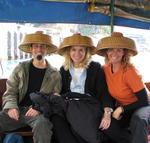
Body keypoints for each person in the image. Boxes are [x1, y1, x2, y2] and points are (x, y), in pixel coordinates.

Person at [51, 33, 131, 143]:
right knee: (57, 121)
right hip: (70, 107)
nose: (77, 53)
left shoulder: (95, 67)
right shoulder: (63, 69)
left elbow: (103, 92)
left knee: (111, 128)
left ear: (86, 52)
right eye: (74, 50)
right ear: (69, 52)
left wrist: (107, 113)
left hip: (91, 107)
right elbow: (59, 91)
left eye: (81, 50)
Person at [0, 31, 62, 143]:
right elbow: (11, 91)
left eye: (42, 46)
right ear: (31, 49)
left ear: (47, 50)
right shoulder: (20, 68)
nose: (39, 49)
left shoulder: (55, 74)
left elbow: (55, 99)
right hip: (17, 110)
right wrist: (11, 107)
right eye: (36, 46)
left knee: (43, 125)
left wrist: (39, 108)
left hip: (38, 114)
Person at [96, 32, 149, 143]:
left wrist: (121, 109)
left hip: (143, 106)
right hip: (125, 108)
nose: (114, 53)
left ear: (124, 53)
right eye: (111, 49)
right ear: (107, 52)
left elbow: (144, 101)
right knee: (105, 125)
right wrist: (109, 112)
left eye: (119, 50)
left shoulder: (129, 71)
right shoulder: (105, 69)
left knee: (138, 120)